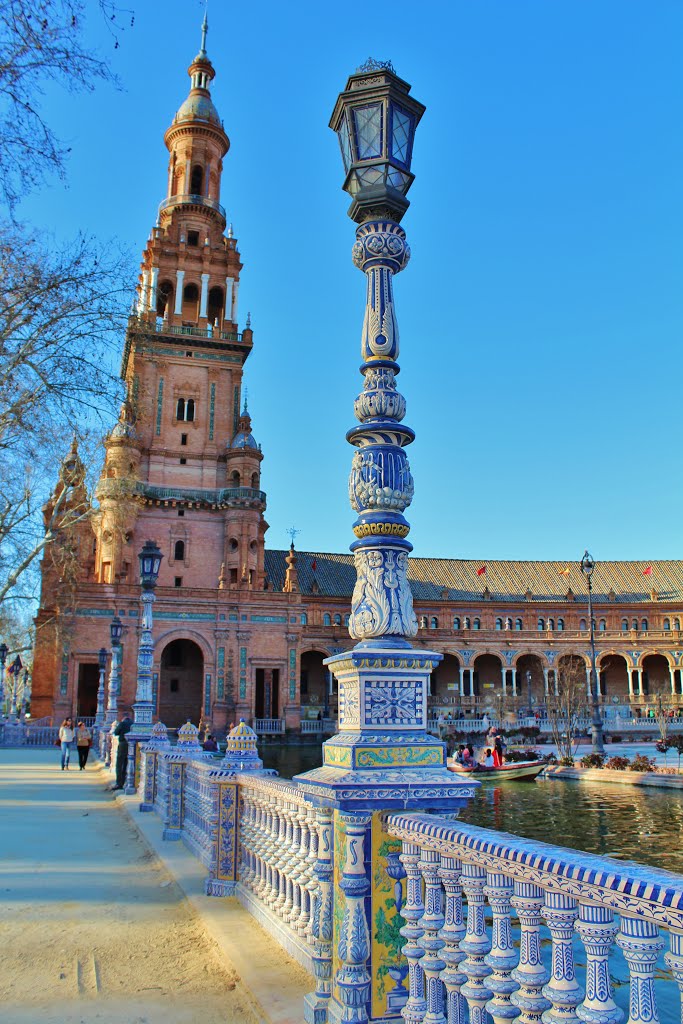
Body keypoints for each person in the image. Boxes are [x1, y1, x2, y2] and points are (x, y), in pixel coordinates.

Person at [112, 713, 133, 790]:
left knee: (119, 764)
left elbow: (116, 732)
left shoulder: (122, 723)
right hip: (131, 745)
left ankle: (119, 783)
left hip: (123, 744)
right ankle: (126, 781)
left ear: (123, 717)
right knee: (126, 763)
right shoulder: (132, 724)